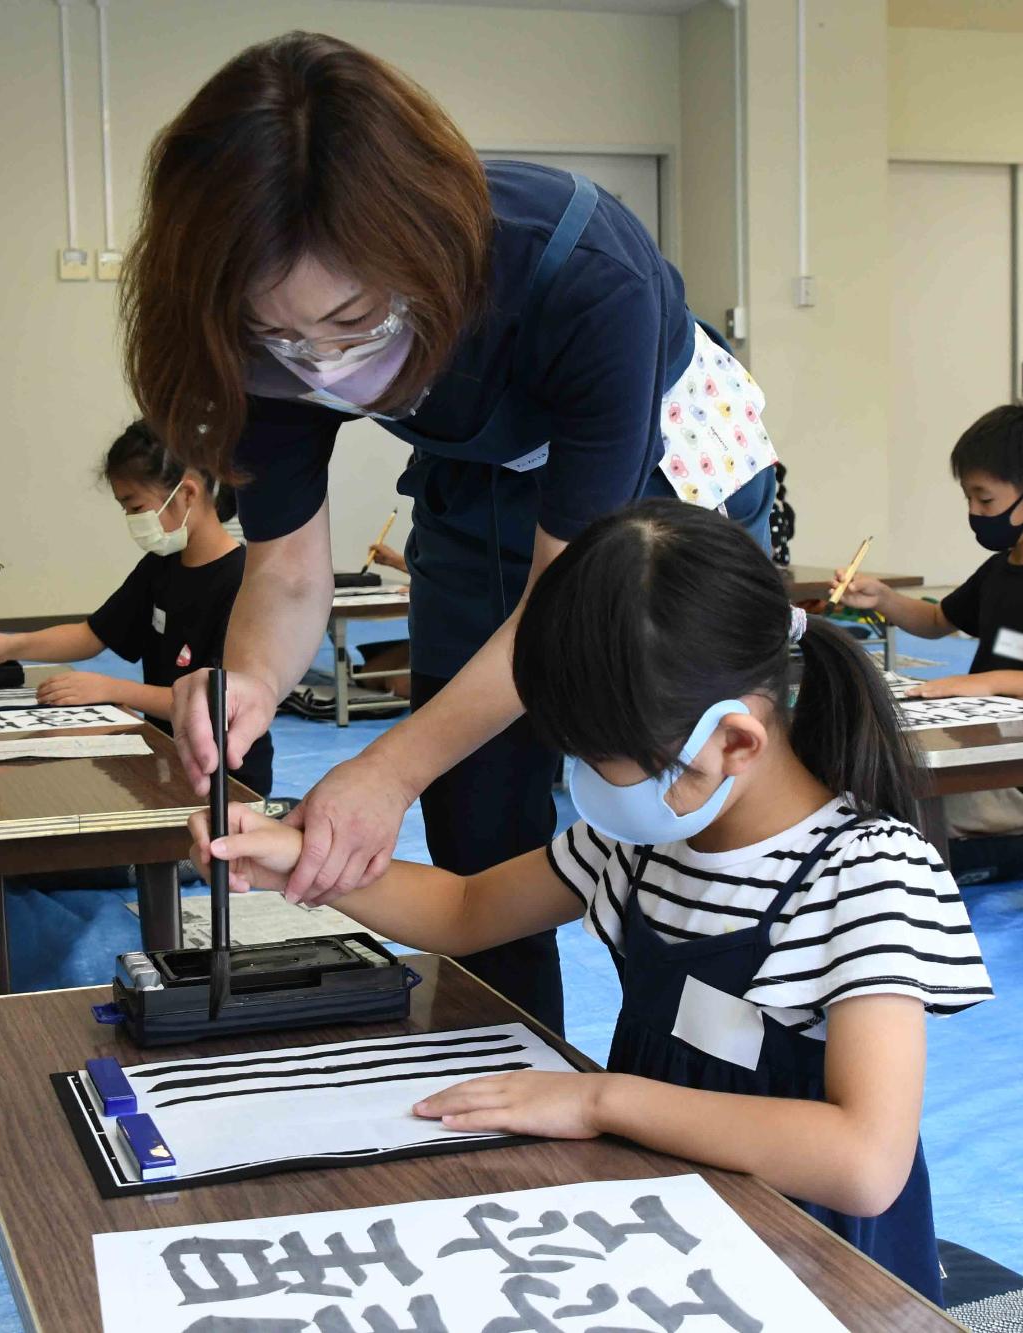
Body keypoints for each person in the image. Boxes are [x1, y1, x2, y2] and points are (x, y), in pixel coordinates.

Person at [125, 32, 782, 1032]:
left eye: (352, 323)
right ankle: (521, 1073)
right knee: (474, 814)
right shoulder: (262, 336)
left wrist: (385, 766)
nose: (320, 366)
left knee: (677, 810)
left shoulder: (581, 272)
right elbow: (290, 577)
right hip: (475, 487)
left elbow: (565, 614)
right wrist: (249, 679)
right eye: (281, 340)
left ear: (420, 254)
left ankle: (694, 1074)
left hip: (659, 487)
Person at [191, 501, 991, 1305]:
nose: (587, 787)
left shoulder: (865, 873)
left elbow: (863, 1160)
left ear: (734, 742)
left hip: (818, 1270)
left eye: (605, 760)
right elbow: (467, 908)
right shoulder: (647, 833)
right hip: (664, 1230)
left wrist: (599, 1097)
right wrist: (302, 859)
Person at [838, 403, 1023, 834]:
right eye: (968, 498)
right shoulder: (1000, 569)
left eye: (985, 498)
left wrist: (993, 681)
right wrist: (882, 597)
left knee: (896, 813)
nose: (974, 511)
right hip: (977, 749)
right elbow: (937, 620)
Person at [0, 421, 273, 794]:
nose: (131, 521)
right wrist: (6, 646)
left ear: (187, 493)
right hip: (166, 756)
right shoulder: (162, 565)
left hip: (225, 778)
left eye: (136, 506)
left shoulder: (242, 583)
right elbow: (92, 634)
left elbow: (212, 703)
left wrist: (110, 688)